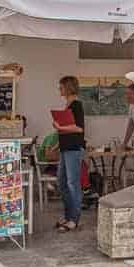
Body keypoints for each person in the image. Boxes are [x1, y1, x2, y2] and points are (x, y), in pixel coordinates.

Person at [54, 76, 86, 232]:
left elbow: (79, 128)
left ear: (68, 88)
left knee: (73, 184)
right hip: (65, 149)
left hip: (73, 149)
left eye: (61, 87)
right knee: (62, 182)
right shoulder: (67, 105)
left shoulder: (76, 105)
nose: (59, 90)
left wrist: (60, 127)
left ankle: (74, 219)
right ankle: (68, 216)